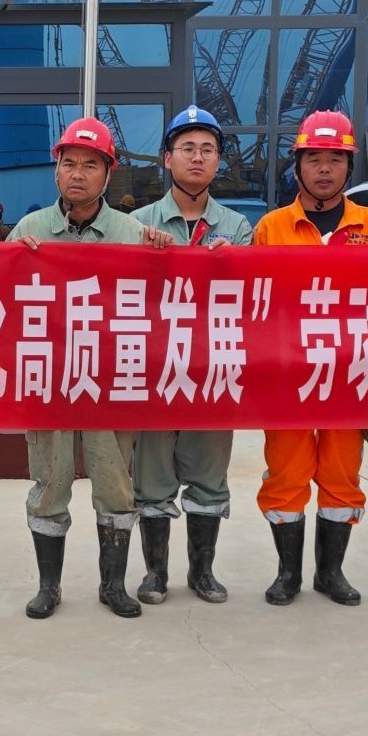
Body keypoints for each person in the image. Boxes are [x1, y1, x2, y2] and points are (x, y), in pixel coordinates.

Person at [9, 117, 175, 619]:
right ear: (56, 170)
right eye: (69, 164)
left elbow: (171, 299)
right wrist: (13, 260)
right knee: (49, 484)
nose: (77, 174)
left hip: (111, 383)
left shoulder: (133, 234)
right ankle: (49, 587)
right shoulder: (29, 232)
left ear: (108, 174)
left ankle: (113, 586)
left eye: (90, 165)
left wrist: (170, 255)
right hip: (49, 383)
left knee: (115, 484)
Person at [251, 111, 368, 607]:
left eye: (336, 158)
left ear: (350, 166)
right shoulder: (271, 228)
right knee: (286, 474)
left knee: (341, 474)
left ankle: (330, 573)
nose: (325, 169)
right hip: (288, 375)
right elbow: (253, 308)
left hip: (349, 374)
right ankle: (288, 574)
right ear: (298, 166)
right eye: (314, 159)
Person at [130, 105, 253, 605]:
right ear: (167, 158)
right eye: (187, 149)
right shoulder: (137, 225)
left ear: (219, 161)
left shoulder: (238, 230)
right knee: (152, 479)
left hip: (211, 371)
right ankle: (155, 574)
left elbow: (253, 301)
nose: (197, 158)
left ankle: (202, 572)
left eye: (207, 150)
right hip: (155, 373)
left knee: (208, 478)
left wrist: (233, 265)